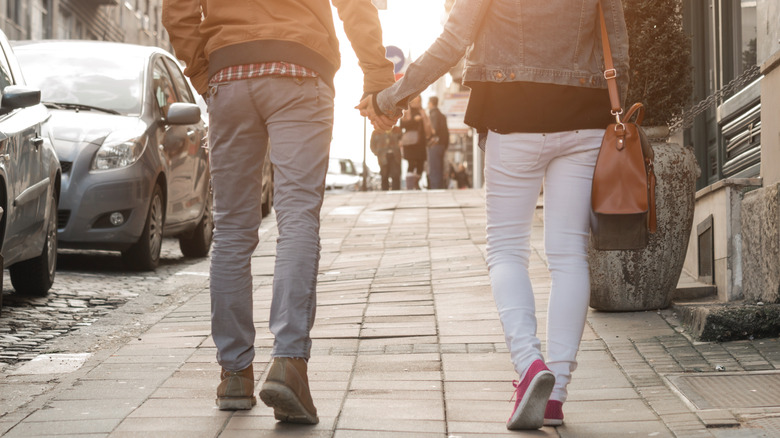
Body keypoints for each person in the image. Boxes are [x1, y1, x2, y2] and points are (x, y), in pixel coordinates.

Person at [359, 0, 629, 430]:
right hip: (586, 114)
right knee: (568, 254)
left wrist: (391, 98)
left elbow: (452, 41)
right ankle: (555, 395)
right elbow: (617, 39)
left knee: (506, 250)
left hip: (512, 113)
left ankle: (529, 365)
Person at [162, 0, 395, 425]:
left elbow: (177, 7)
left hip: (229, 72)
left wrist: (205, 70)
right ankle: (288, 364)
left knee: (231, 229)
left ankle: (234, 374)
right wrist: (377, 76)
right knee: (298, 219)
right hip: (301, 68)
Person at [399, 95, 432, 189]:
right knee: (411, 163)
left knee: (420, 164)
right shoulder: (406, 111)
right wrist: (414, 120)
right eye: (415, 99)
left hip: (421, 142)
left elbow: (427, 126)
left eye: (418, 99)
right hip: (410, 142)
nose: (416, 101)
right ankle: (410, 186)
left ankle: (415, 183)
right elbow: (402, 125)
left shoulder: (422, 111)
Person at [427, 96, 450, 189]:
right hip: (442, 145)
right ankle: (440, 189)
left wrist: (429, 138)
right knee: (440, 170)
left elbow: (434, 130)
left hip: (435, 145)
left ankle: (435, 190)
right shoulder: (441, 115)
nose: (427, 105)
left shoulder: (433, 114)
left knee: (434, 170)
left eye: (428, 103)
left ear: (431, 103)